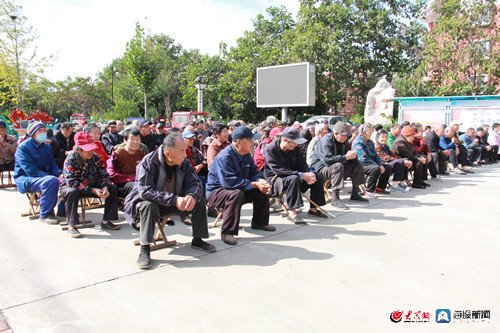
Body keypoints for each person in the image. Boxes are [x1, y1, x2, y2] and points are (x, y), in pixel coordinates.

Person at [124, 133, 216, 269]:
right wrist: (174, 199)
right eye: (182, 151)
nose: (185, 154)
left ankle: (198, 239)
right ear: (168, 153)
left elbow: (196, 184)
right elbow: (145, 192)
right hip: (153, 203)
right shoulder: (149, 162)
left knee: (198, 200)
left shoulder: (183, 162)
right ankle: (144, 249)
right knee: (147, 206)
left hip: (175, 201)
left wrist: (191, 195)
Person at [206, 126, 275, 246]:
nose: (252, 142)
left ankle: (260, 222)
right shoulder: (225, 156)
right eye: (249, 140)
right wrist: (253, 184)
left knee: (261, 189)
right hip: (217, 192)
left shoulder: (246, 155)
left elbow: (255, 172)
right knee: (236, 193)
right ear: (238, 142)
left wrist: (260, 181)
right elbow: (228, 183)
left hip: (239, 188)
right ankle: (227, 231)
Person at [59, 131, 120, 238]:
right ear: (78, 150)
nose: (91, 151)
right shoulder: (70, 160)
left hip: (90, 183)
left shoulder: (95, 157)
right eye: (87, 149)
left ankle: (107, 221)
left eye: (92, 148)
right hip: (71, 187)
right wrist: (93, 190)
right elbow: (72, 182)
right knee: (72, 192)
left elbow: (104, 174)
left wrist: (105, 186)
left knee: (112, 187)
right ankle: (72, 225)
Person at [264, 127, 327, 223]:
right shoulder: (270, 149)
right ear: (285, 140)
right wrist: (301, 175)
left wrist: (309, 173)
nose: (296, 144)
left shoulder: (294, 148)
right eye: (294, 142)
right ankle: (292, 212)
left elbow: (302, 164)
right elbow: (278, 170)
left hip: (294, 175)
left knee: (317, 176)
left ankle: (313, 209)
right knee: (293, 179)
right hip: (276, 179)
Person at [310, 121, 368, 210]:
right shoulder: (326, 141)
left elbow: (348, 156)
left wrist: (353, 156)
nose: (345, 138)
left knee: (358, 164)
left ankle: (355, 194)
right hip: (321, 169)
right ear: (336, 133)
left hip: (336, 168)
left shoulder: (344, 141)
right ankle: (335, 198)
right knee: (338, 165)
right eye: (343, 135)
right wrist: (345, 157)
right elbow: (327, 160)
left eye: (346, 136)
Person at [14, 121, 61, 224]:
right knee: (51, 181)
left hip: (44, 177)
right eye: (40, 131)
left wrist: (60, 174)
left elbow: (52, 165)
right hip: (27, 178)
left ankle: (63, 211)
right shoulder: (23, 148)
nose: (43, 133)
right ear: (33, 133)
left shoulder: (47, 147)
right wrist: (51, 177)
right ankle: (45, 214)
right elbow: (30, 170)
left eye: (44, 130)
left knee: (67, 178)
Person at [353, 124, 391, 196]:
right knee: (375, 168)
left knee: (387, 167)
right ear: (363, 132)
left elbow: (376, 155)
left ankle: (380, 188)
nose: (371, 133)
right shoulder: (358, 142)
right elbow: (362, 158)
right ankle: (369, 191)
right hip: (360, 164)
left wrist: (380, 164)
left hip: (370, 163)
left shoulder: (370, 142)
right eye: (369, 132)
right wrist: (377, 165)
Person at [107, 128, 145, 199]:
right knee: (139, 187)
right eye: (132, 139)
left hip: (138, 181)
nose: (135, 142)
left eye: (138, 139)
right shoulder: (118, 154)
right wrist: (132, 178)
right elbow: (112, 175)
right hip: (121, 184)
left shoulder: (140, 152)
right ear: (125, 140)